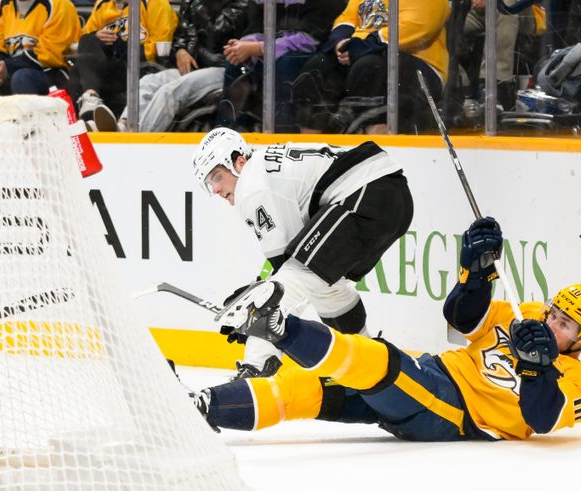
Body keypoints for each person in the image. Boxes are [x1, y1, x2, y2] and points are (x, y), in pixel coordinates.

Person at [193, 218, 581, 441]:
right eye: (554, 310)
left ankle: (277, 327)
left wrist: (536, 368)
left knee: (376, 359)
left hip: (453, 414)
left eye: (563, 323)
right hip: (434, 373)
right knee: (305, 389)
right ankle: (200, 407)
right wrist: (476, 273)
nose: (549, 320)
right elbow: (462, 319)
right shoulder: (525, 316)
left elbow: (540, 420)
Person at [191, 127, 413, 378]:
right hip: (387, 192)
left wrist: (252, 307)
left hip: (365, 192)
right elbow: (294, 264)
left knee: (280, 293)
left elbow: (285, 275)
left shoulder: (252, 184)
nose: (217, 190)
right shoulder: (264, 168)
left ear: (239, 161)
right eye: (210, 184)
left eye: (218, 177)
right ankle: (368, 365)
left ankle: (256, 369)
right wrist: (254, 294)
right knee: (323, 286)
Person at [291, 0, 450, 135]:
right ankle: (313, 147)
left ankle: (378, 144)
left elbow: (419, 25)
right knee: (318, 66)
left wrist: (365, 45)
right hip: (364, 52)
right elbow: (348, 17)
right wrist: (342, 40)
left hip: (418, 63)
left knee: (370, 67)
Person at [92, 0, 252, 131]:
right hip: (194, 67)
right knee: (148, 82)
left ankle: (140, 139)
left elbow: (217, 32)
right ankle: (123, 126)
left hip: (225, 70)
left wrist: (201, 6)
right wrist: (180, 51)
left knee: (169, 92)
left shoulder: (244, 4)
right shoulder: (193, 2)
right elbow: (182, 33)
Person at [213, 0, 346, 133]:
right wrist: (243, 46)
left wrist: (259, 48)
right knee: (235, 63)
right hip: (272, 49)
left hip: (316, 55)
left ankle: (282, 134)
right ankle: (225, 132)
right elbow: (255, 27)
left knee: (284, 64)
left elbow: (312, 39)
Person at [72, 0, 178, 122]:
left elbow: (161, 49)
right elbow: (85, 43)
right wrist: (96, 35)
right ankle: (90, 102)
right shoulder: (103, 4)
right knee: (83, 52)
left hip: (142, 66)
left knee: (79, 73)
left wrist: (122, 46)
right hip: (113, 65)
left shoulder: (156, 3)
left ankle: (90, 110)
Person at [0, 0, 80, 95]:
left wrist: (8, 66)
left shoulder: (61, 5)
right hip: (14, 70)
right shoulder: (0, 7)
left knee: (22, 77)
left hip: (57, 75)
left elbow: (50, 54)